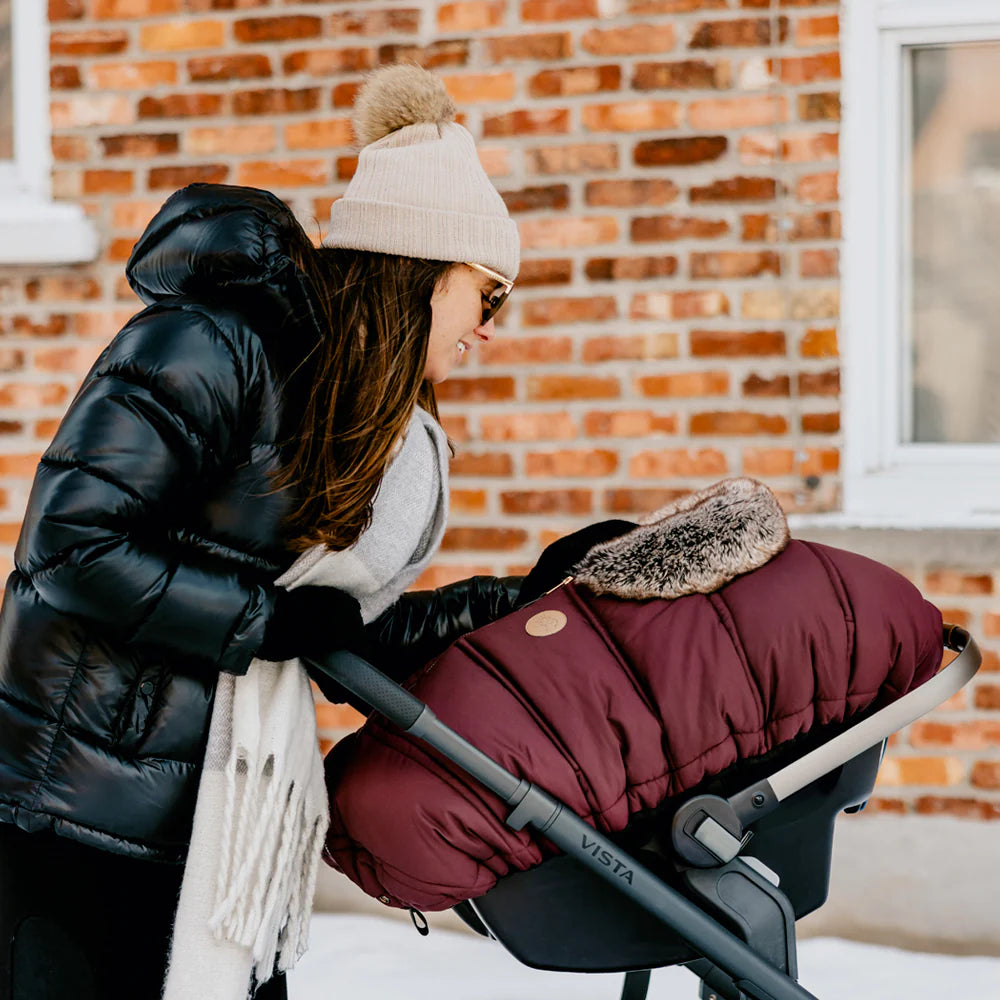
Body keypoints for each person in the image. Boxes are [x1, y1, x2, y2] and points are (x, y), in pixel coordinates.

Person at [0, 64, 532, 1000]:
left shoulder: (344, 410)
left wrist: (523, 599)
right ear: (423, 268)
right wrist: (261, 622)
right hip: (75, 813)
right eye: (487, 295)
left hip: (206, 827)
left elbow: (329, 630)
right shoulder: (209, 344)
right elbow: (72, 548)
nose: (491, 331)